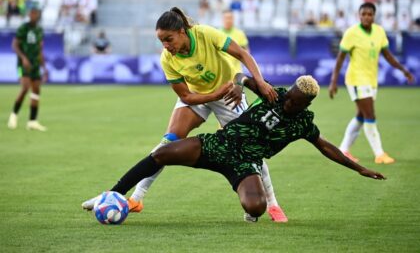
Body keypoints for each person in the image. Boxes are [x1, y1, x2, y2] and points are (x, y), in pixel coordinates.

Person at [83, 75, 386, 222]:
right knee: (162, 152)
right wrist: (239, 84)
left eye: (294, 100)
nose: (287, 100)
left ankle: (255, 209)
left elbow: (325, 147)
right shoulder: (274, 94)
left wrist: (359, 168)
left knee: (255, 207)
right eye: (289, 94)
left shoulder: (303, 124)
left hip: (245, 163)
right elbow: (243, 76)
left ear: (306, 104)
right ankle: (114, 194)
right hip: (218, 144)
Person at [82, 7, 286, 222]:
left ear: (182, 31)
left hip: (228, 96)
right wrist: (212, 94)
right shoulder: (167, 59)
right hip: (198, 96)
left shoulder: (206, 34)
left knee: (249, 147)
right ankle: (133, 197)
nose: (166, 46)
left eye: (169, 39)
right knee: (167, 143)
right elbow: (186, 97)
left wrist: (260, 82)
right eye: (162, 42)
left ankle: (273, 204)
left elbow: (243, 54)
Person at [329, 2, 414, 164]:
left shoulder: (379, 32)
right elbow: (340, 58)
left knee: (361, 116)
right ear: (359, 15)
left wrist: (403, 70)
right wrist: (334, 81)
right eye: (363, 14)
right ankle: (379, 154)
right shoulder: (351, 33)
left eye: (370, 14)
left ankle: (343, 150)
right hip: (356, 80)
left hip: (371, 80)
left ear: (374, 16)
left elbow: (387, 55)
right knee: (370, 115)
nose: (367, 17)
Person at [7, 7, 48, 131]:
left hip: (35, 65)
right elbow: (14, 45)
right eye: (31, 13)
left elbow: (40, 50)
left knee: (36, 91)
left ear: (38, 15)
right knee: (25, 87)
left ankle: (32, 121)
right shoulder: (23, 28)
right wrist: (23, 58)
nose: (32, 15)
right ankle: (13, 115)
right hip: (22, 65)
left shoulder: (40, 30)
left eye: (35, 13)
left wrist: (44, 68)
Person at [220, 9, 249, 73]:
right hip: (221, 72)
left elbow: (246, 52)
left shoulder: (240, 33)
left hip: (236, 72)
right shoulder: (217, 33)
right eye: (226, 18)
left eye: (230, 18)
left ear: (233, 19)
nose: (228, 20)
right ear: (222, 19)